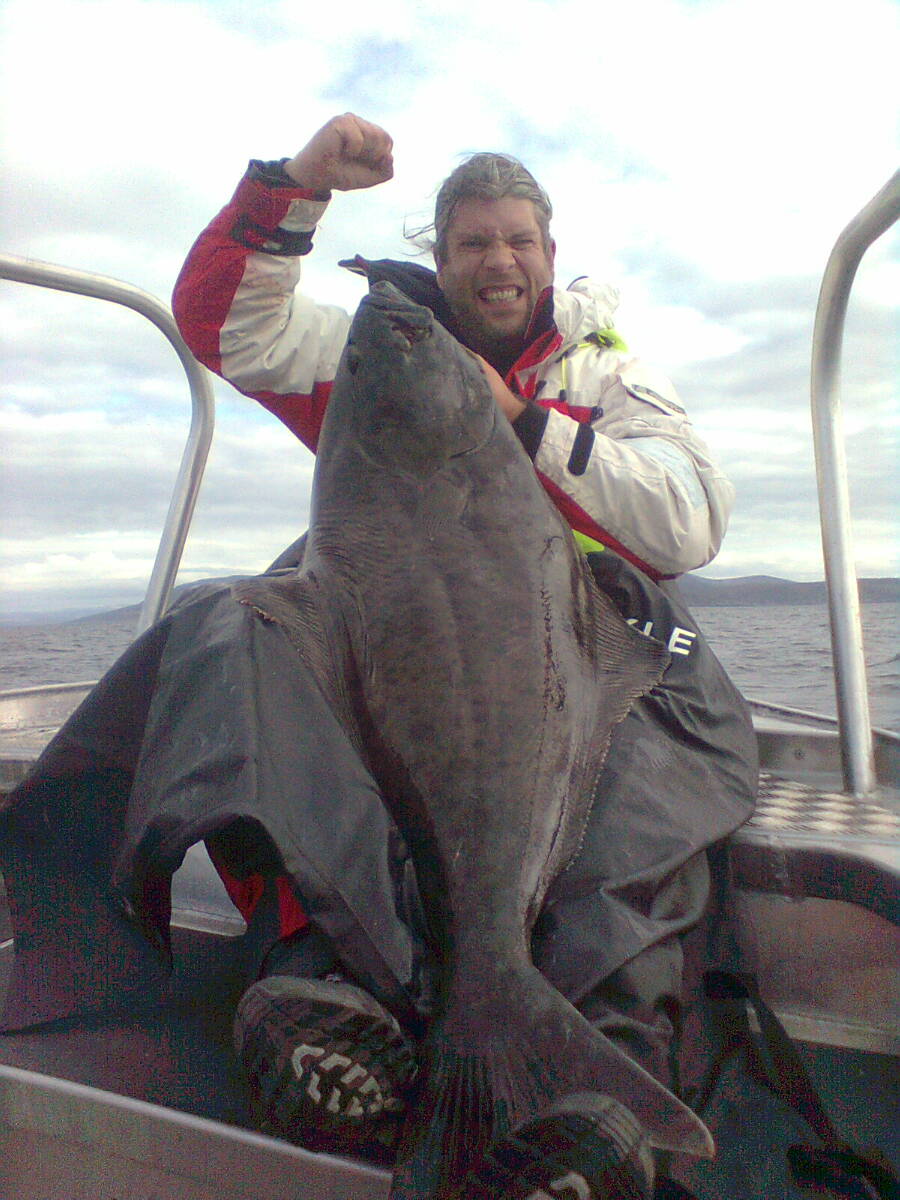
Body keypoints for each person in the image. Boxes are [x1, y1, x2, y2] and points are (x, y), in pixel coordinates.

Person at [0, 115, 755, 1200]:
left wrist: (522, 419)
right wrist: (295, 186)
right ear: (440, 257)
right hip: (393, 646)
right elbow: (227, 325)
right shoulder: (384, 349)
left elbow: (687, 519)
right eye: (472, 242)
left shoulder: (606, 377)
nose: (498, 260)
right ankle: (332, 997)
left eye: (519, 240)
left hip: (583, 659)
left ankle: (601, 1093)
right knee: (236, 630)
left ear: (551, 255)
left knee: (636, 806)